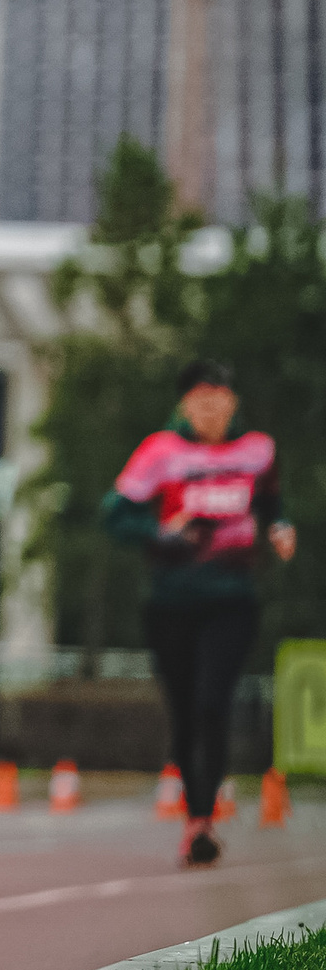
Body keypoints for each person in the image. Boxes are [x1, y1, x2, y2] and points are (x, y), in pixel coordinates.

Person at [101, 359, 298, 869]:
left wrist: (280, 528)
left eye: (220, 396)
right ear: (185, 402)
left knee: (213, 702)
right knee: (186, 710)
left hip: (232, 598)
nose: (211, 406)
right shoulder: (161, 452)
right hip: (171, 600)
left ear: (233, 401)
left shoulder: (258, 451)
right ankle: (195, 818)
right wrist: (158, 535)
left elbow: (273, 503)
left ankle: (205, 818)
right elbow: (115, 512)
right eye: (201, 397)